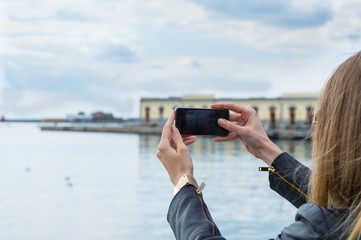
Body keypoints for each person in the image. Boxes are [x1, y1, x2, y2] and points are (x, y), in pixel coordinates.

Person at [156, 51, 361, 240]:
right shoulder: (350, 219)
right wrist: (264, 148)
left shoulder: (321, 231)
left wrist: (183, 179)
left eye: (318, 121)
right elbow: (341, 203)